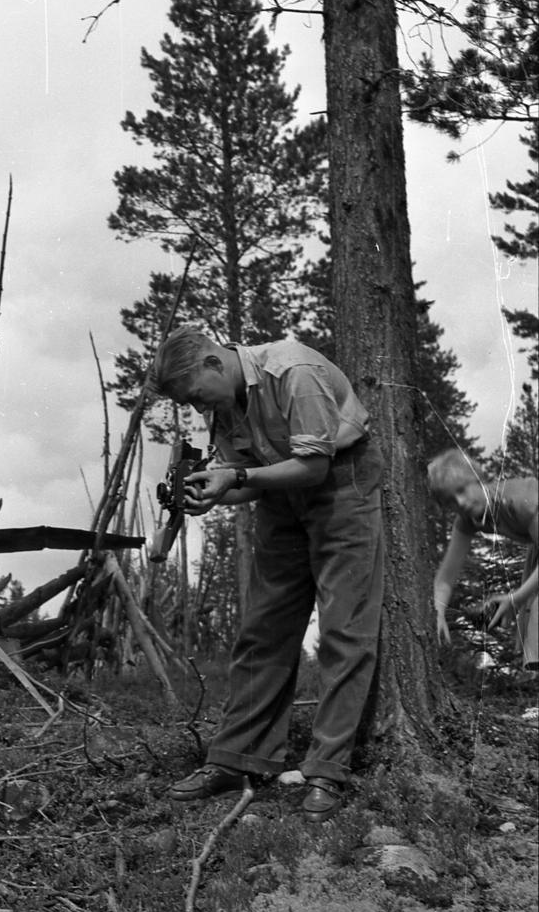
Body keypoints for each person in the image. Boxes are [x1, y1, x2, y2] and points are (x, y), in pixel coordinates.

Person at [149, 327, 384, 823]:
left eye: (194, 396)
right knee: (264, 627)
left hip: (343, 482)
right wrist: (210, 494)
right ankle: (236, 759)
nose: (195, 409)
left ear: (213, 361)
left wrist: (235, 478)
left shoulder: (293, 370)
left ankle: (326, 770)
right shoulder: (225, 404)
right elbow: (247, 480)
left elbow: (313, 468)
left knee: (344, 626)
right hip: (282, 493)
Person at [428, 449, 538, 671]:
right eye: (451, 500)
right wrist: (437, 613)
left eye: (462, 490)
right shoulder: (468, 520)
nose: (460, 502)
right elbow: (446, 576)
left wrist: (515, 597)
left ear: (478, 479)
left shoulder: (519, 501)